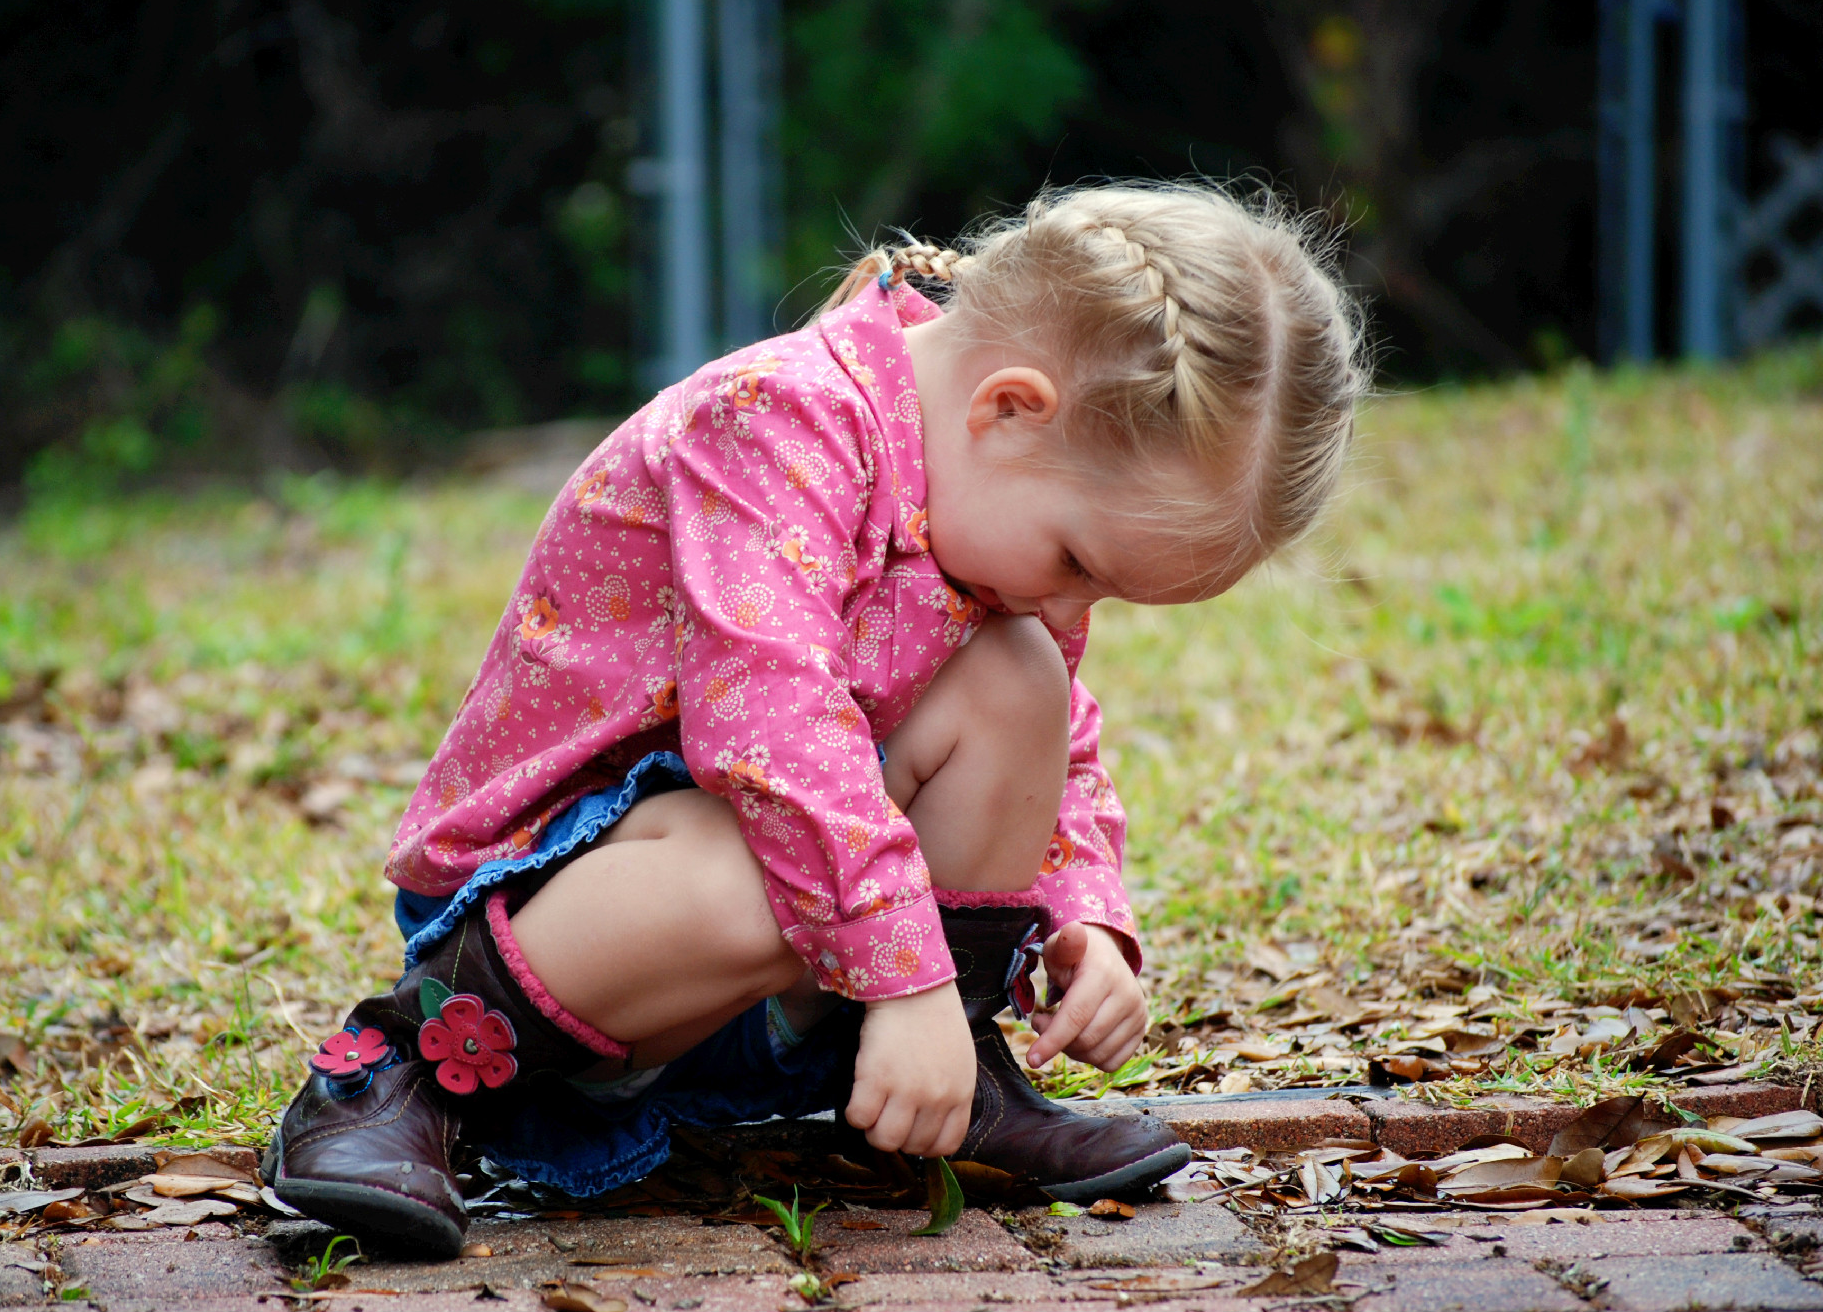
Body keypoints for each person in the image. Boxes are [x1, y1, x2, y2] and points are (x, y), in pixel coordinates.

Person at [262, 183, 1369, 1255]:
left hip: (788, 953)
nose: (1072, 605)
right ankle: (400, 1067)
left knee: (1019, 674)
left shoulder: (992, 537)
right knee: (746, 867)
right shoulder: (777, 421)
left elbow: (1058, 734)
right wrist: (908, 974)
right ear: (1008, 408)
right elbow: (767, 730)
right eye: (1077, 561)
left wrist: (1077, 913)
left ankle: (933, 1075)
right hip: (553, 925)